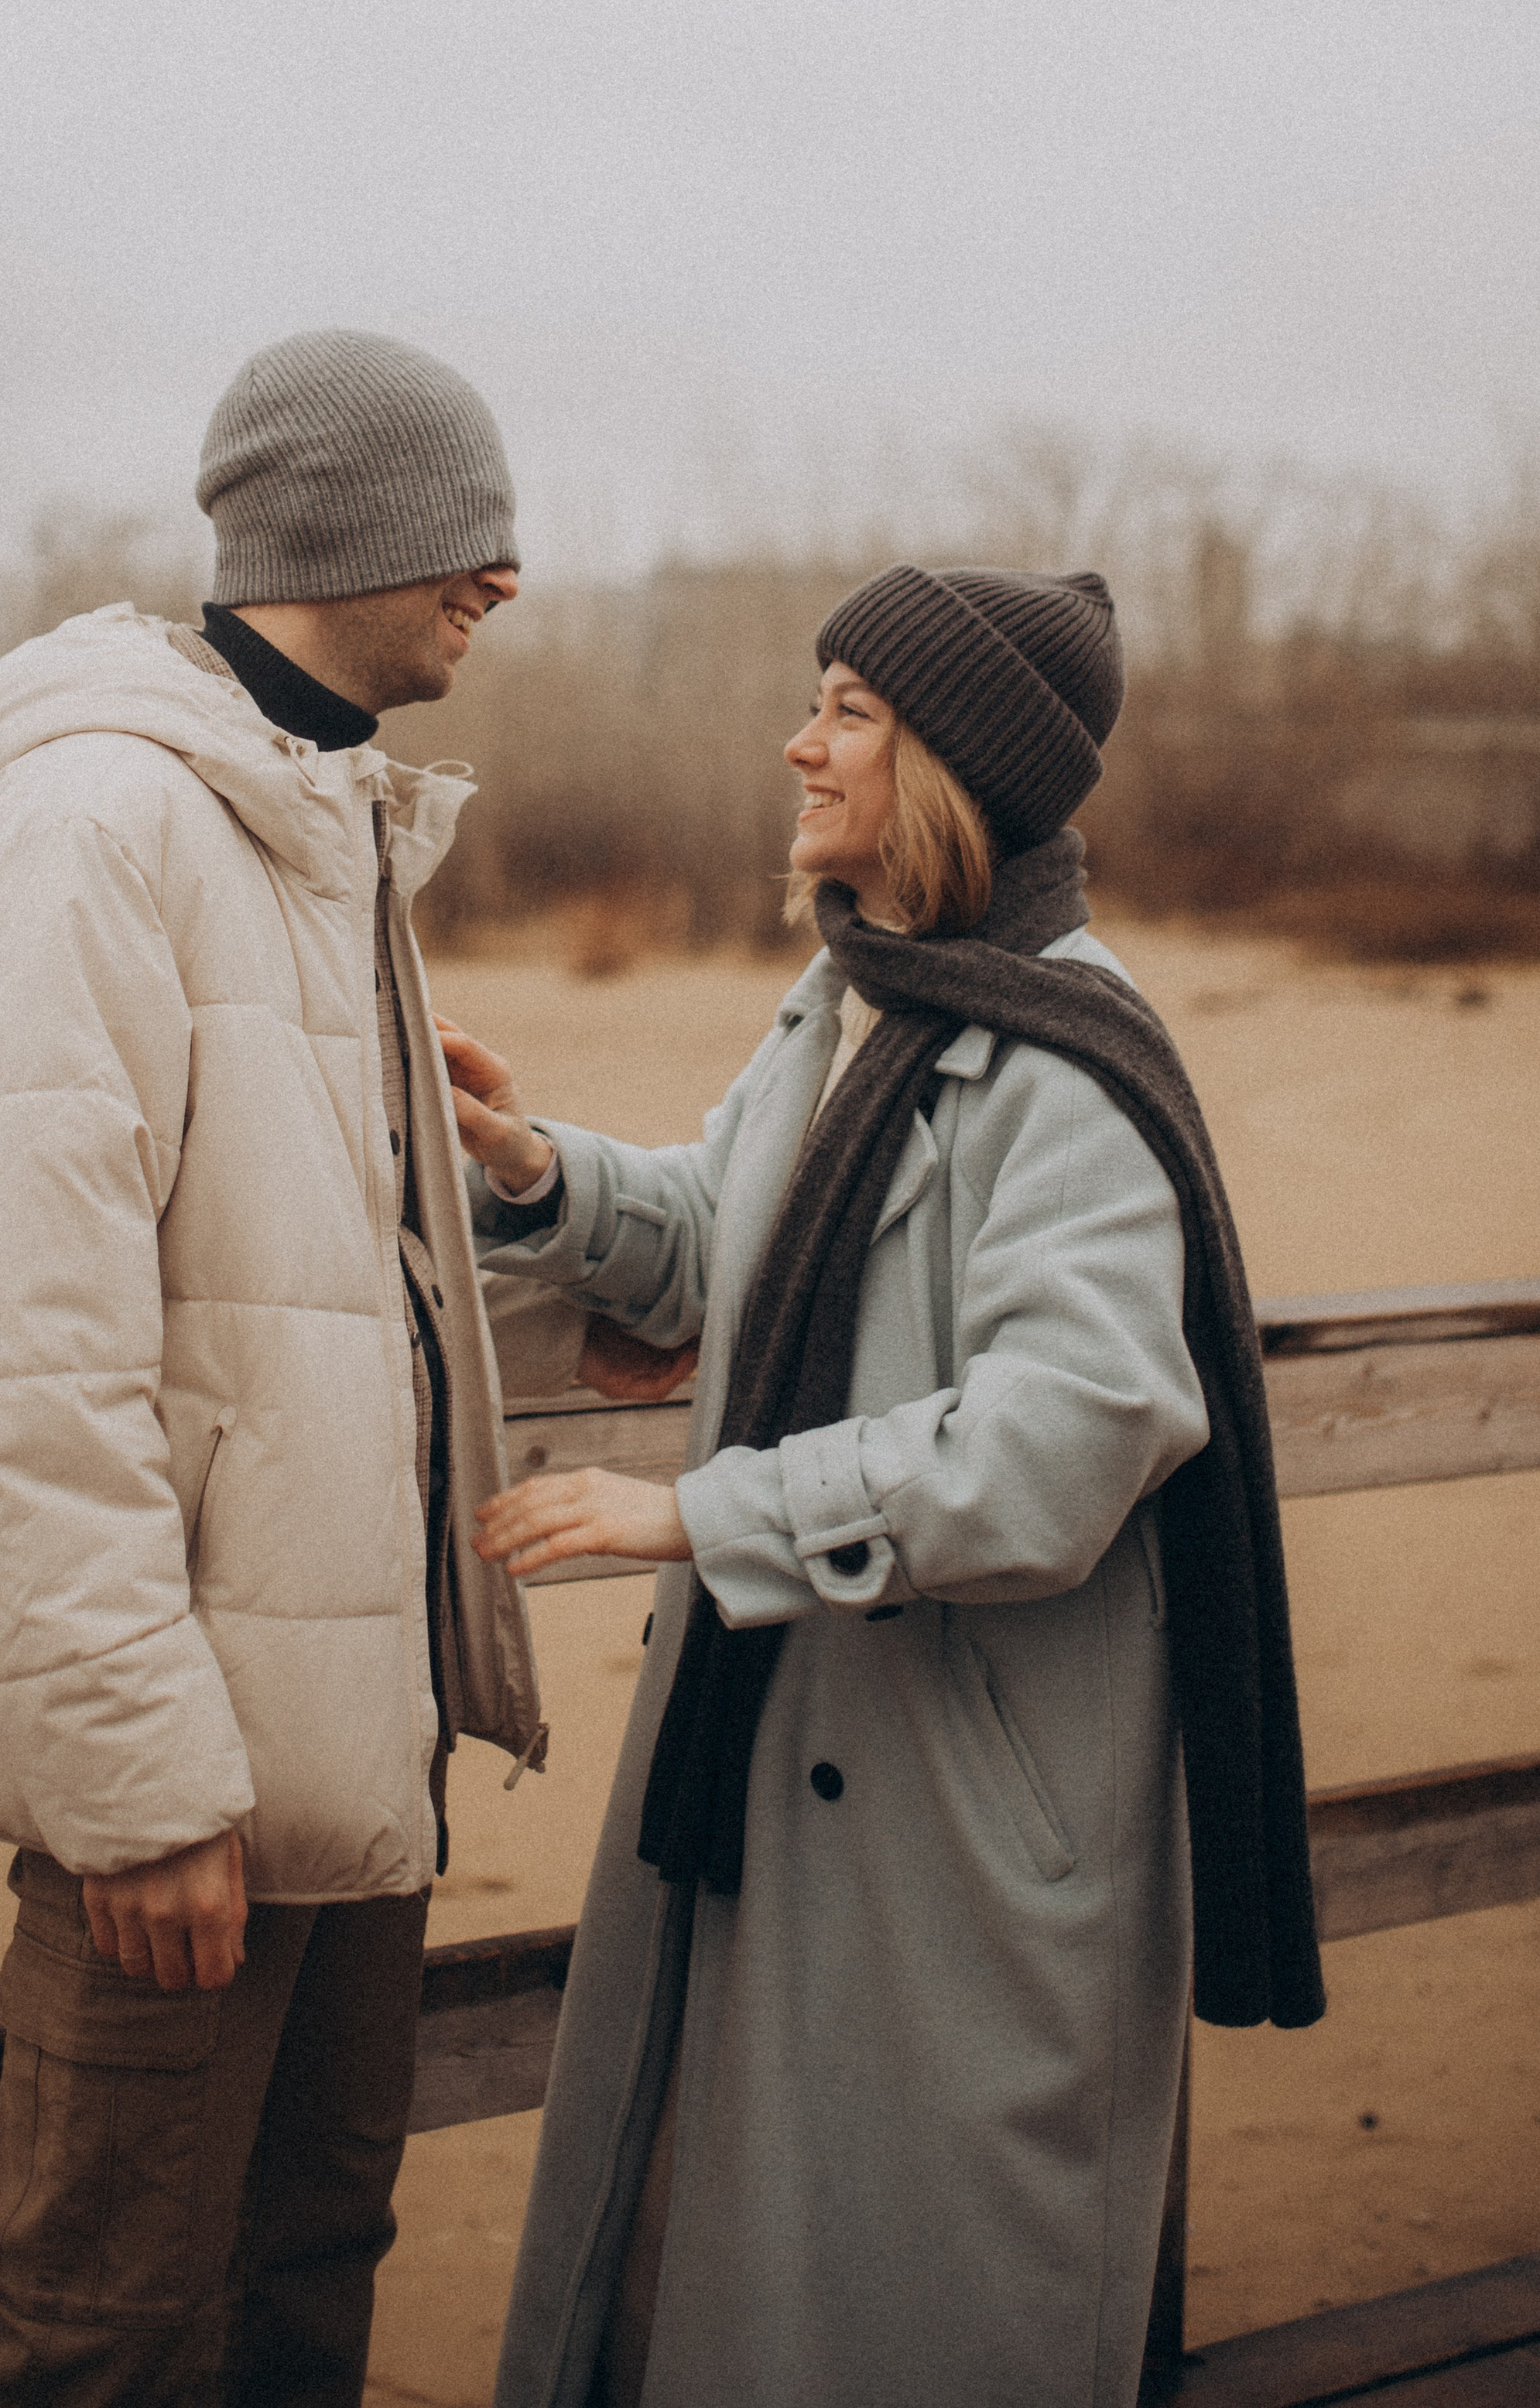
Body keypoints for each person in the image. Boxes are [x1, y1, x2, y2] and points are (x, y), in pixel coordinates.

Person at [442, 564, 1326, 2408]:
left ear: (945, 764)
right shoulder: (853, 993)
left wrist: (703, 1511)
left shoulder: (1064, 1058)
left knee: (904, 2318)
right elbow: (720, 1240)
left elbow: (1061, 1442)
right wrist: (534, 1176)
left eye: (846, 706)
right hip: (787, 1768)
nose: (799, 739)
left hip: (957, 1826)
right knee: (728, 2292)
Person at [0, 330, 549, 2408]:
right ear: (348, 531)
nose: (506, 580)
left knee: (302, 2289)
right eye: (470, 538)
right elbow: (13, 1355)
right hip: (187, 1783)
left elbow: (302, 1302)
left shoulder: (320, 834)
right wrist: (137, 1789)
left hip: (345, 1755)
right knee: (96, 2339)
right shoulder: (97, 829)